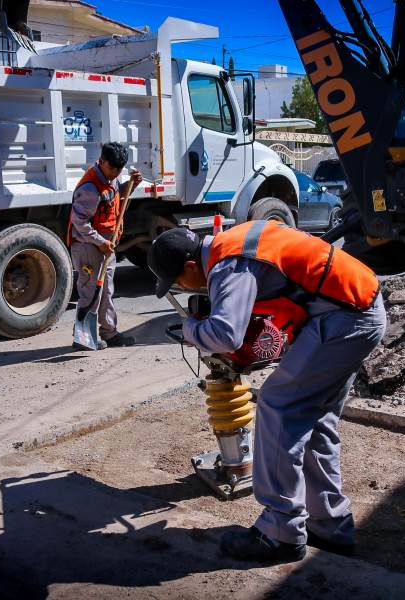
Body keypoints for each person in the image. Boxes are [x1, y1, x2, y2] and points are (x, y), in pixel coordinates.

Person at [147, 221, 386, 563]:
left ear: (189, 266)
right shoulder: (232, 242)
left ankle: (280, 532)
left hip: (345, 318)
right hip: (356, 309)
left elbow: (225, 335)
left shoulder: (227, 264)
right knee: (315, 420)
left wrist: (190, 328)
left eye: (178, 282)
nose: (183, 288)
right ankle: (329, 525)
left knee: (278, 404)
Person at [68, 142, 142, 350]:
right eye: (112, 169)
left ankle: (109, 333)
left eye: (119, 170)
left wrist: (132, 185)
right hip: (88, 246)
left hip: (105, 246)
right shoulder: (90, 188)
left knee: (106, 291)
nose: (115, 173)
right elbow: (79, 223)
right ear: (101, 161)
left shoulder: (111, 178)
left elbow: (116, 195)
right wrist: (100, 242)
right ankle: (83, 339)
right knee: (90, 292)